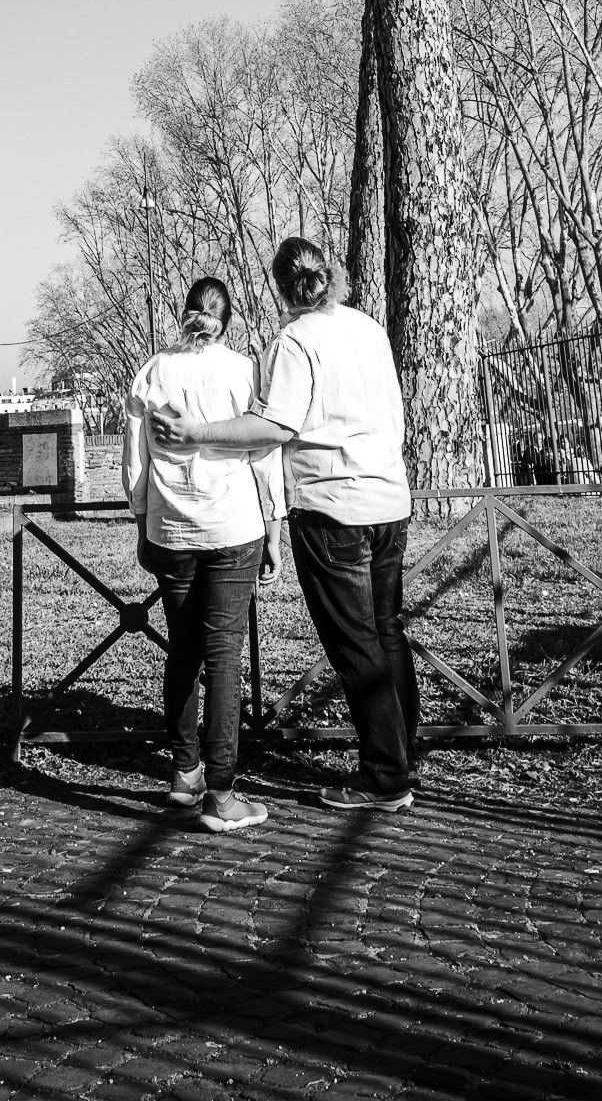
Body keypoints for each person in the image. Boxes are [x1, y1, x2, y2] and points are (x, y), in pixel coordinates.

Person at [151, 235, 418, 813]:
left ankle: (385, 778)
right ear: (331, 276)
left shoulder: (294, 342)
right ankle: (401, 756)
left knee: (357, 644)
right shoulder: (369, 328)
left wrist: (197, 433)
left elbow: (274, 427)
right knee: (387, 631)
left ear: (281, 287)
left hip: (334, 508)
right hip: (390, 500)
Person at [122, 276, 284, 835]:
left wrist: (143, 523)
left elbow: (135, 463)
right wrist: (274, 526)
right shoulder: (243, 372)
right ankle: (222, 794)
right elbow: (263, 454)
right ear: (226, 321)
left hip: (171, 530)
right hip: (233, 527)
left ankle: (184, 772)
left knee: (183, 650)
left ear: (184, 313)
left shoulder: (152, 372)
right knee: (223, 656)